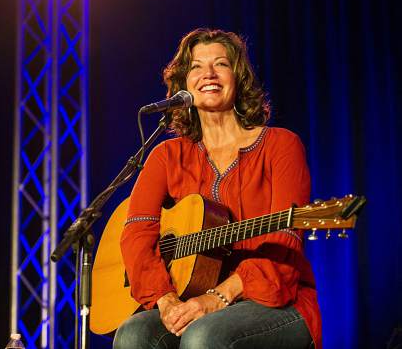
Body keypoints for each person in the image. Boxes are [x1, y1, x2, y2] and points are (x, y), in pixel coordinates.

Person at [112, 28, 321, 349]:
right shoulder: (166, 155)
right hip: (186, 296)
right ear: (183, 83)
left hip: (274, 300)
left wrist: (218, 297)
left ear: (238, 77)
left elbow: (285, 239)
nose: (208, 73)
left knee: (204, 335)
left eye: (220, 64)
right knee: (133, 333)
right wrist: (166, 300)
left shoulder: (281, 144)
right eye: (196, 66)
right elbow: (137, 234)